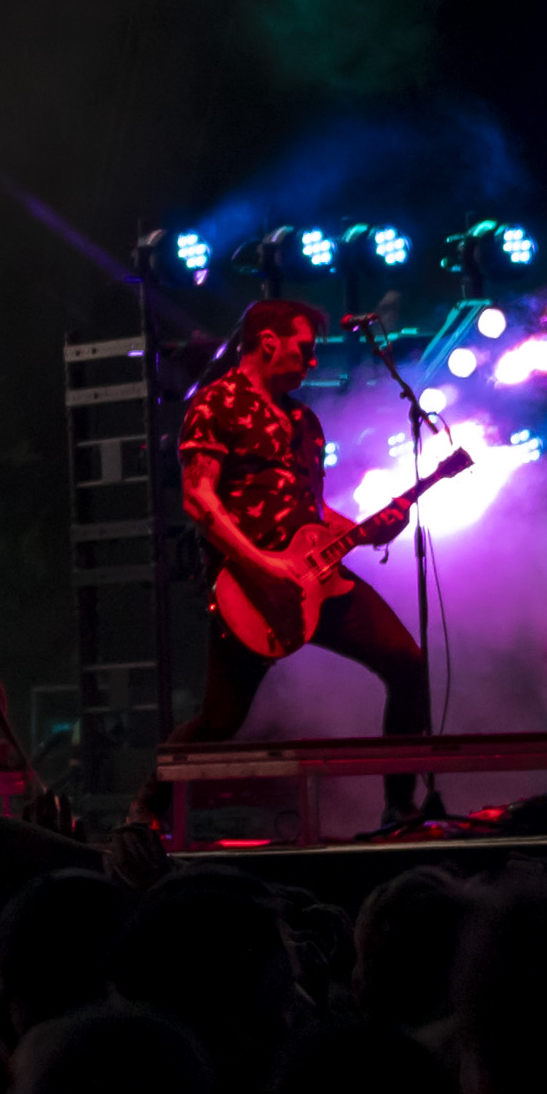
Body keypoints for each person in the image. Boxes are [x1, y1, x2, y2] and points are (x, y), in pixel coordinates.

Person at [141, 298, 431, 836]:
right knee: (218, 723)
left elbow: (313, 514)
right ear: (268, 342)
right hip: (248, 588)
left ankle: (400, 806)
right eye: (304, 348)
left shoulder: (305, 422)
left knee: (408, 663)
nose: (312, 361)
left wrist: (368, 530)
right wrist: (262, 568)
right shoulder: (216, 404)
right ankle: (142, 814)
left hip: (316, 581)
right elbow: (198, 500)